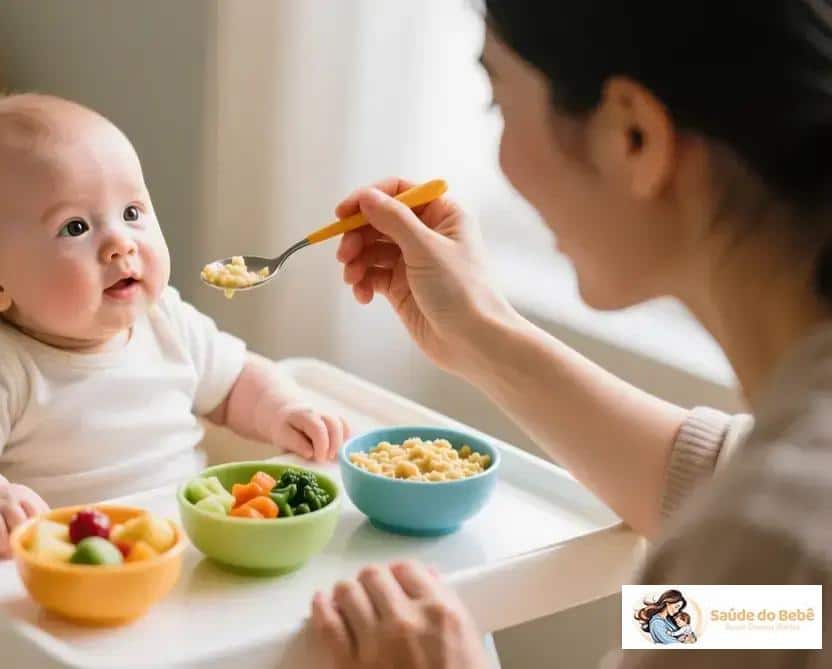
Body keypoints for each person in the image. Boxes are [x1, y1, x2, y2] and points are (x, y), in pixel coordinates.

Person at [308, 1, 832, 667]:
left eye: (498, 103)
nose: (501, 161)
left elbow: (763, 561)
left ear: (632, 134)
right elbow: (774, 599)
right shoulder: (772, 520)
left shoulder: (770, 541)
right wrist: (481, 334)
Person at [0, 94, 348, 557]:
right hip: (80, 567)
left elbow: (237, 383)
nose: (120, 242)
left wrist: (284, 412)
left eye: (132, 213)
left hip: (196, 545)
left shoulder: (167, 322)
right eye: (75, 227)